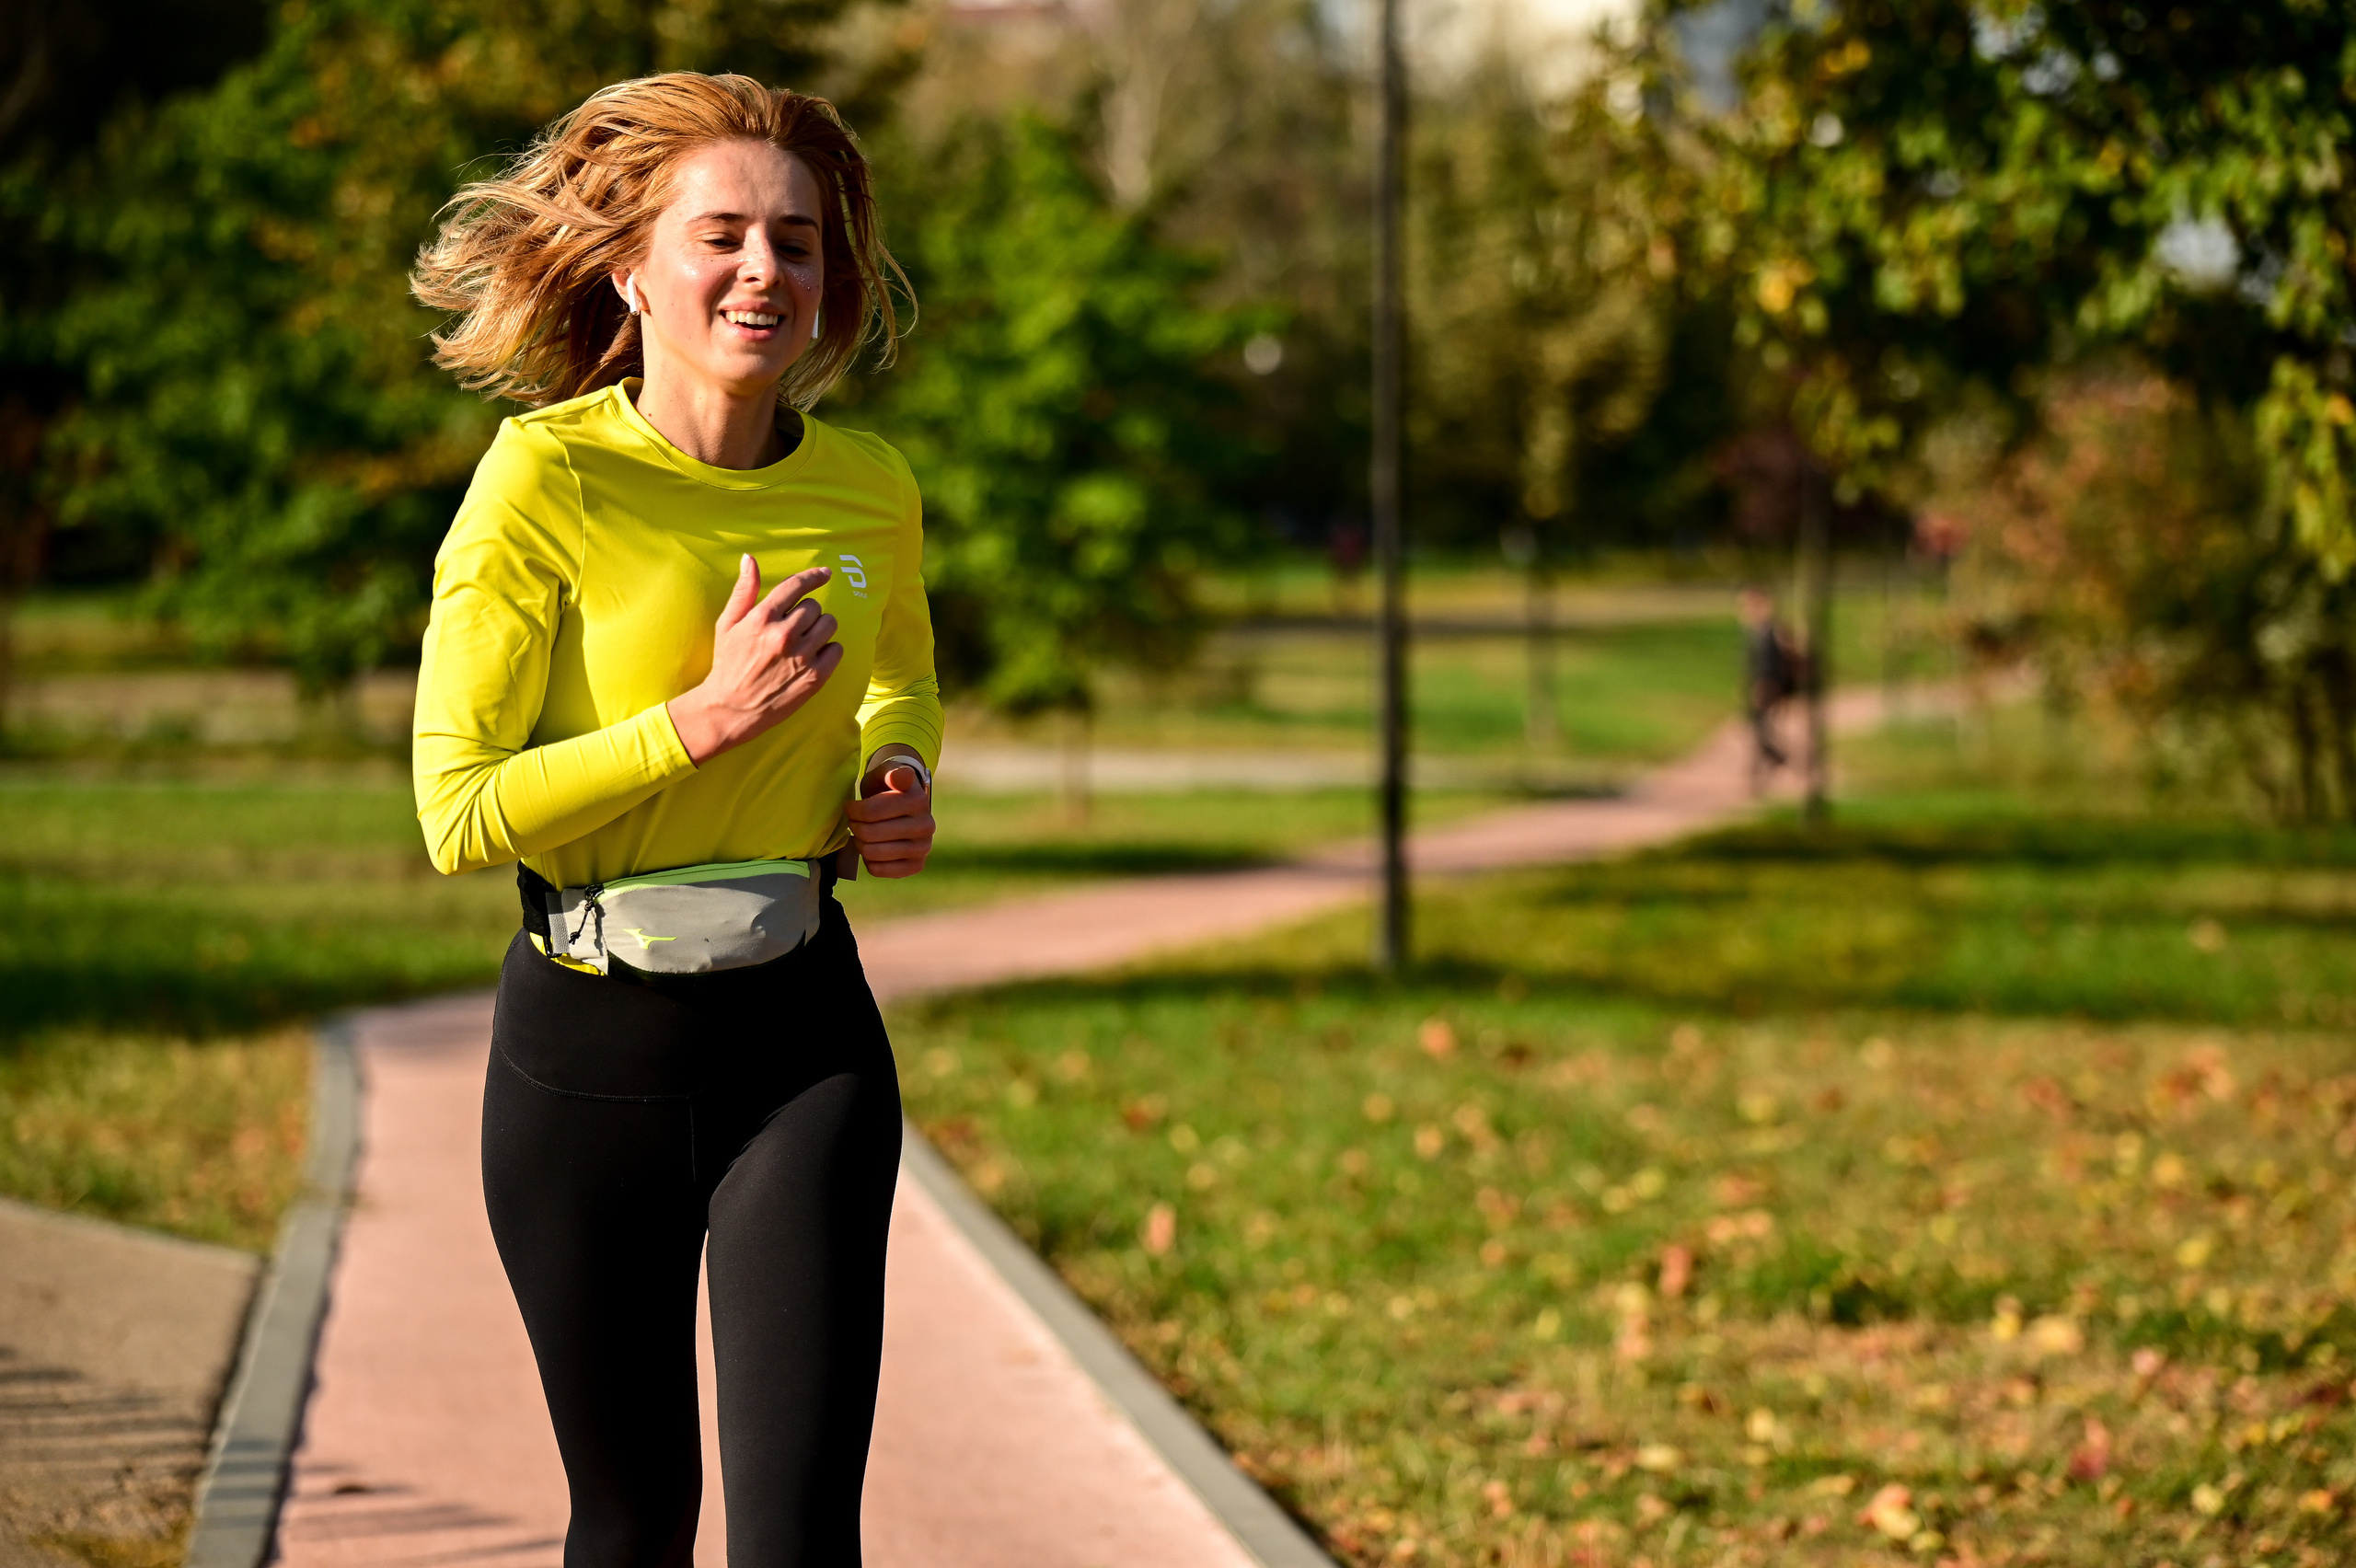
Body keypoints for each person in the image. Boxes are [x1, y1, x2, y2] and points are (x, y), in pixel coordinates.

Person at [408, 73, 937, 1567]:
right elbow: (457, 808)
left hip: (804, 1045)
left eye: (799, 240)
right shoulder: (545, 479)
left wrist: (898, 775)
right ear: (635, 270)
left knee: (797, 1536)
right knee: (632, 1523)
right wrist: (696, 723)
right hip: (587, 1058)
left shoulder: (866, 485)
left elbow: (902, 673)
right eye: (724, 236)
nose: (765, 269)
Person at [1738, 585, 1799, 795]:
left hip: (1769, 687)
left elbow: (1773, 664)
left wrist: (1770, 686)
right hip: (1762, 687)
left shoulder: (1772, 631)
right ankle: (1769, 764)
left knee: (1760, 729)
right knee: (1759, 729)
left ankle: (1774, 761)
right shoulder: (1758, 631)